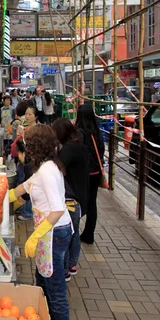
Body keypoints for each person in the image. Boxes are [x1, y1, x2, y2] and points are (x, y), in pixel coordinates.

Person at [9, 126, 73, 320]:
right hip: (51, 233)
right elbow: (22, 190)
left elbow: (57, 210)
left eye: (27, 144)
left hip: (54, 233)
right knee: (44, 281)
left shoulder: (47, 171)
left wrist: (35, 237)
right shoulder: (44, 168)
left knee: (56, 293)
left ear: (36, 147)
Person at [53, 118, 89, 280]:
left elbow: (57, 168)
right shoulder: (77, 143)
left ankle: (67, 268)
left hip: (72, 198)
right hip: (80, 195)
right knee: (73, 233)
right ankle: (72, 265)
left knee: (68, 233)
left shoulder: (69, 148)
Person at [75, 104, 104, 245]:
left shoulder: (80, 132)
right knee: (92, 203)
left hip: (84, 174)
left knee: (79, 202)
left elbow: (79, 153)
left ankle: (73, 232)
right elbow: (102, 150)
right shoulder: (97, 131)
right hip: (96, 172)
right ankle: (89, 234)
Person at [13, 139, 33, 220]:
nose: (18, 156)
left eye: (18, 154)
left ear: (23, 153)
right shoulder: (23, 165)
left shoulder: (29, 167)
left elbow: (27, 190)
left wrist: (14, 204)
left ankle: (27, 212)